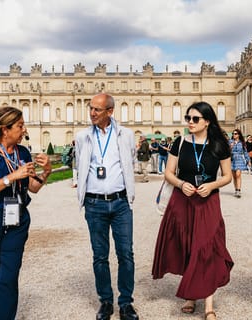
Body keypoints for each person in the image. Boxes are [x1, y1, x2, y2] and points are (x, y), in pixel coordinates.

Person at [153, 101, 233, 320]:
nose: (190, 122)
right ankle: (191, 296)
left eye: (195, 119)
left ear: (207, 121)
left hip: (208, 201)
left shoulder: (219, 144)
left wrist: (212, 186)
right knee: (188, 246)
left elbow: (227, 176)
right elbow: (169, 172)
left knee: (206, 247)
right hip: (183, 200)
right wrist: (180, 184)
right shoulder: (180, 142)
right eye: (188, 118)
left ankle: (208, 303)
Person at [0, 106, 52, 319]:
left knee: (8, 275)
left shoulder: (22, 152)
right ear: (5, 129)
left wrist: (47, 172)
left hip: (17, 219)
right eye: (20, 125)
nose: (24, 130)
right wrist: (12, 177)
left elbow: (33, 187)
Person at [74, 93, 140, 320]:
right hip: (94, 203)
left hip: (121, 202)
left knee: (126, 254)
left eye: (97, 110)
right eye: (91, 108)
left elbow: (129, 161)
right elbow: (80, 163)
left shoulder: (126, 135)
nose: (92, 113)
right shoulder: (82, 136)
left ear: (110, 112)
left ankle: (126, 303)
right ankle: (106, 301)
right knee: (100, 256)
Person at [229, 129, 248, 198]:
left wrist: (248, 160)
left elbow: (245, 152)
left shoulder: (242, 142)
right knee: (234, 176)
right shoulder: (230, 142)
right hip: (232, 159)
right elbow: (226, 151)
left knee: (238, 174)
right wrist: (230, 147)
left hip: (239, 159)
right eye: (233, 134)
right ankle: (236, 189)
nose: (234, 135)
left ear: (239, 135)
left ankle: (239, 190)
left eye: (236, 133)